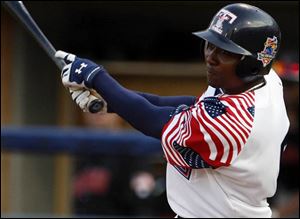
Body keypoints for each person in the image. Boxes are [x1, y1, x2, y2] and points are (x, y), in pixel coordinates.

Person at [55, 3, 290, 217]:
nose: (211, 57)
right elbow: (193, 105)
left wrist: (96, 77)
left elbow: (153, 120)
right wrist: (112, 101)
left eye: (225, 52)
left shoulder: (233, 123)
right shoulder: (265, 81)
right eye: (211, 45)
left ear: (251, 64)